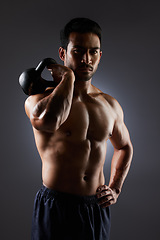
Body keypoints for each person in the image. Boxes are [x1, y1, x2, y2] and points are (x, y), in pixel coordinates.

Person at [25, 18, 133, 240]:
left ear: (100, 56)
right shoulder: (39, 100)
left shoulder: (109, 105)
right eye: (79, 51)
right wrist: (68, 78)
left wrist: (115, 188)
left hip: (95, 208)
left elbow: (124, 147)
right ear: (63, 53)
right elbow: (52, 120)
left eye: (94, 52)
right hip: (56, 206)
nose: (87, 59)